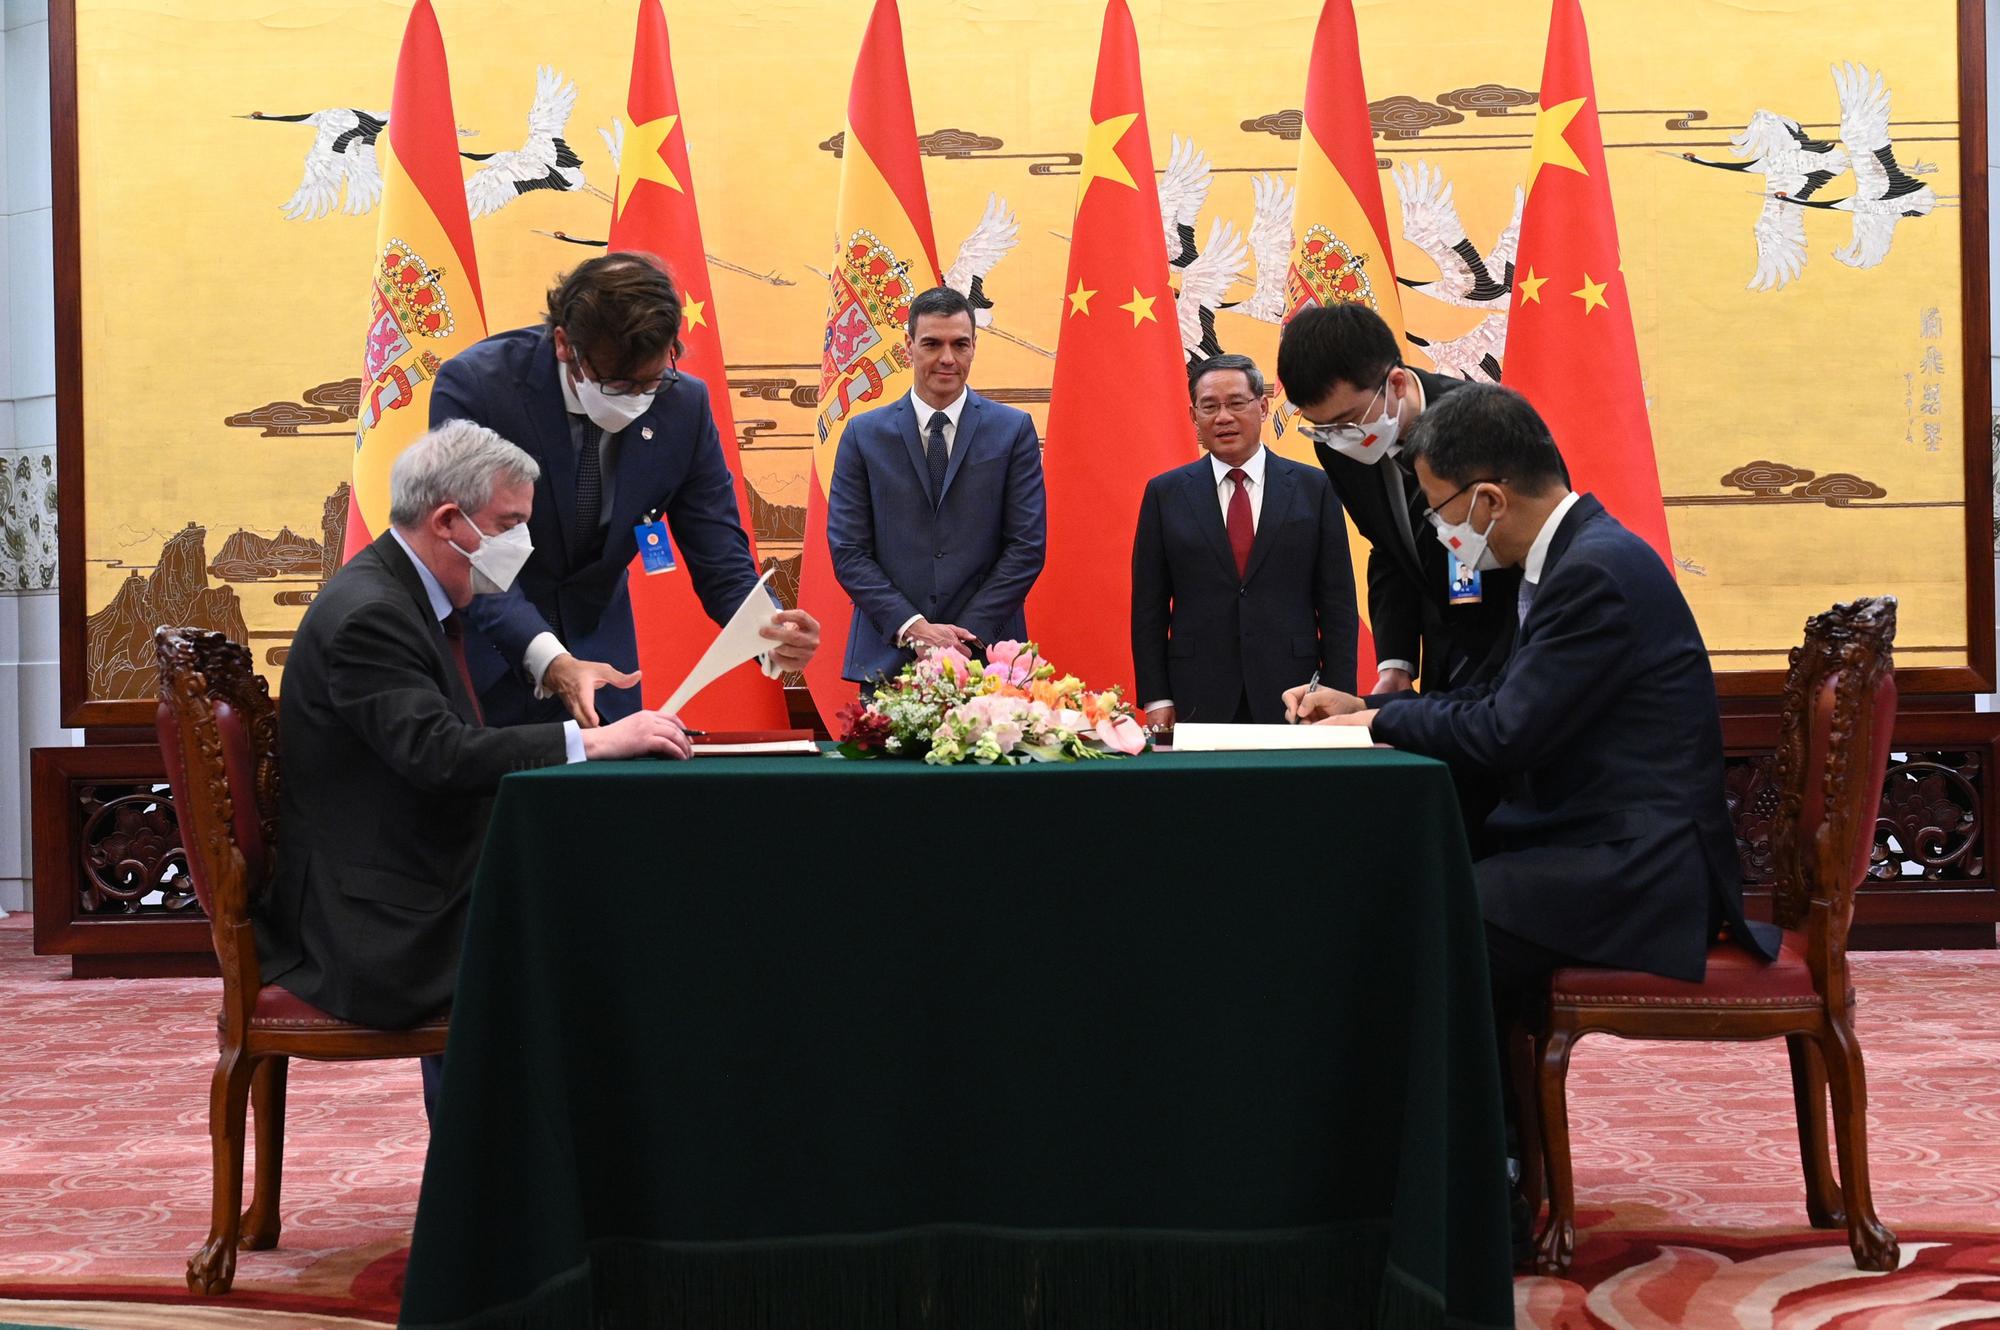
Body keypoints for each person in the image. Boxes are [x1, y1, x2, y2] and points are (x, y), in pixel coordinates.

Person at [1285, 382, 1777, 992]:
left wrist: (1379, 725)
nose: (1439, 533)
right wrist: (1368, 705)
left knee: (1420, 914)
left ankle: (1456, 1090)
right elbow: (1494, 693)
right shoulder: (1574, 557)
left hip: (1638, 870)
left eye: (1437, 512)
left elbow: (1503, 730)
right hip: (1595, 840)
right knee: (1415, 885)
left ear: (1490, 500)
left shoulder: (1593, 572)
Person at [256, 422, 695, 1047]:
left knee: (612, 897)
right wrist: (595, 741)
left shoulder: (400, 593)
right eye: (508, 525)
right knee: (615, 932)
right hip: (381, 926)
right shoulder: (371, 616)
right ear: (447, 522)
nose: (521, 543)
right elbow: (440, 755)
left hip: (418, 876)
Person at [430, 252, 818, 728]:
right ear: (564, 345)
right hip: (488, 662)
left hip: (607, 670)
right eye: (616, 384)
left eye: (651, 381)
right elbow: (470, 552)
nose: (637, 399)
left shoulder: (683, 406)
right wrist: (549, 660)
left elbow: (720, 555)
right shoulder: (479, 387)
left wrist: (768, 630)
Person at [1275, 303, 1521, 698]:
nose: (1339, 438)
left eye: (1349, 420)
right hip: (1444, 650)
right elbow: (1389, 549)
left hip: (1517, 641)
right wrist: (1395, 663)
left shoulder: (1485, 421)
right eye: (1323, 428)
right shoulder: (1340, 445)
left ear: (1397, 384)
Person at [826, 285, 1046, 681]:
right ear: (908, 345)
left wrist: (961, 638)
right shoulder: (863, 435)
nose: (947, 358)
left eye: (960, 344)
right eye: (932, 344)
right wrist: (914, 628)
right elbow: (848, 551)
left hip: (987, 657)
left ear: (975, 346)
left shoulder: (1013, 431)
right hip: (889, 660)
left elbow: (1026, 546)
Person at [1130, 353, 1356, 726]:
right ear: (1193, 417)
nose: (1223, 417)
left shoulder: (1312, 488)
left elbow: (1338, 603)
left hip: (1295, 692)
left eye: (1236, 403)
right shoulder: (1165, 493)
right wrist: (1156, 697)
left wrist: (1338, 692)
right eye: (1209, 406)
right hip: (1197, 692)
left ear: (1263, 406)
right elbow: (1148, 607)